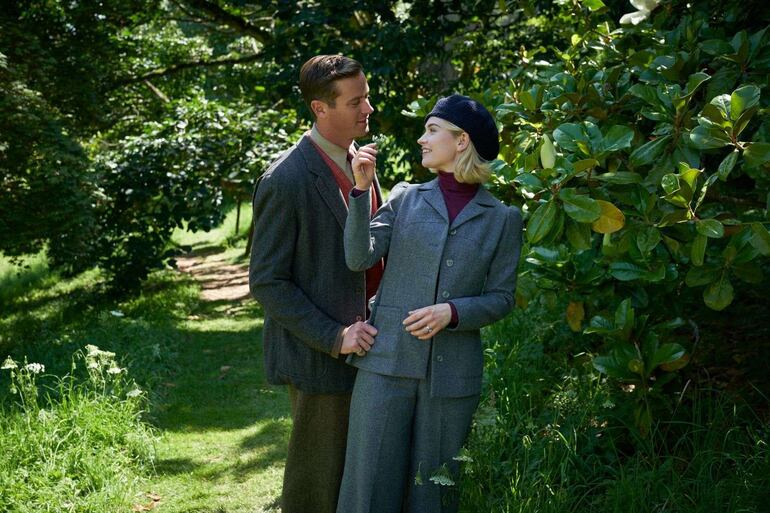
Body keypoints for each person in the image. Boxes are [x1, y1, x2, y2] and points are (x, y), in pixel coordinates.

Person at [336, 94, 523, 513]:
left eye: (432, 130)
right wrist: (360, 191)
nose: (422, 139)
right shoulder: (404, 197)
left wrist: (453, 312)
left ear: (461, 141)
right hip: (385, 364)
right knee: (368, 489)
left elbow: (502, 298)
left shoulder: (502, 218)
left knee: (433, 494)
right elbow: (358, 257)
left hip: (451, 378)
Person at [248, 54, 385, 513]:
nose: (368, 109)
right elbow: (268, 281)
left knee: (361, 479)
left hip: (375, 350)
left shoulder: (359, 160)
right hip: (320, 357)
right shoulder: (285, 179)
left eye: (366, 96)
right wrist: (335, 336)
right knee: (316, 486)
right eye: (356, 101)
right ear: (320, 109)